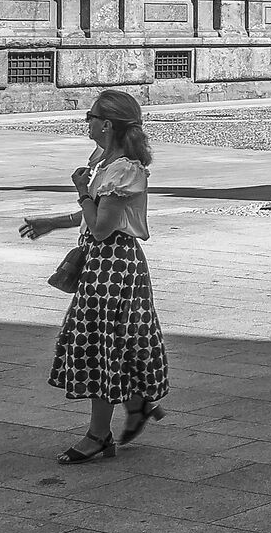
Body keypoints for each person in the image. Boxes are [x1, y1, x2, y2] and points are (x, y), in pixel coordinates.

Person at [19, 89, 170, 465]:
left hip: (113, 267)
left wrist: (80, 191)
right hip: (103, 264)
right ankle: (136, 402)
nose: (85, 121)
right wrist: (50, 223)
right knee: (118, 340)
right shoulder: (106, 162)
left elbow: (102, 227)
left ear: (106, 124)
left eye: (90, 116)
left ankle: (98, 436)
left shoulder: (124, 170)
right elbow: (94, 215)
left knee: (102, 344)